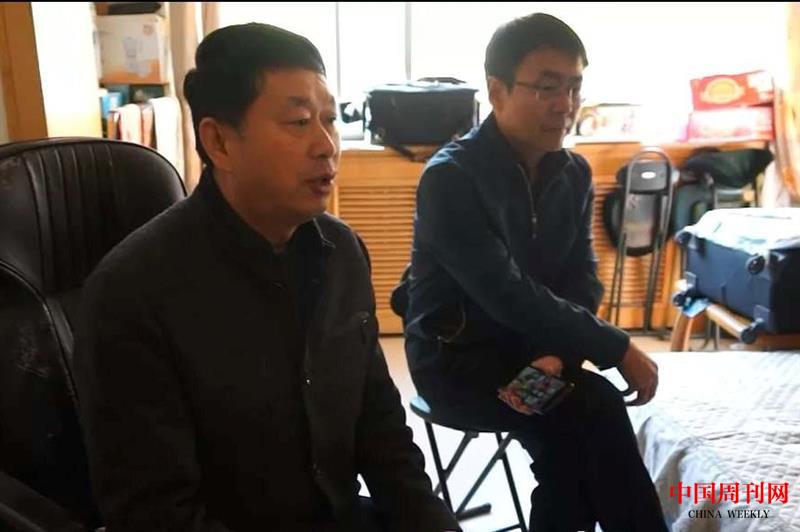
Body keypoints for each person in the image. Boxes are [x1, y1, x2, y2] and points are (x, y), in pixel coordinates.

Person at [75, 23, 458, 532]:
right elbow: (158, 515)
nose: (327, 145)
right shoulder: (131, 292)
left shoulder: (342, 252)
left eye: (329, 119)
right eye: (299, 122)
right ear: (219, 142)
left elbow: (381, 432)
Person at [402, 13, 668, 532]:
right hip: (460, 364)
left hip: (539, 356)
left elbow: (582, 278)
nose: (565, 104)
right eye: (547, 87)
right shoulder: (450, 179)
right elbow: (504, 292)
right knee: (593, 407)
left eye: (574, 87)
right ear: (496, 90)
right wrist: (616, 347)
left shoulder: (574, 172)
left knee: (569, 449)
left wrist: (560, 354)